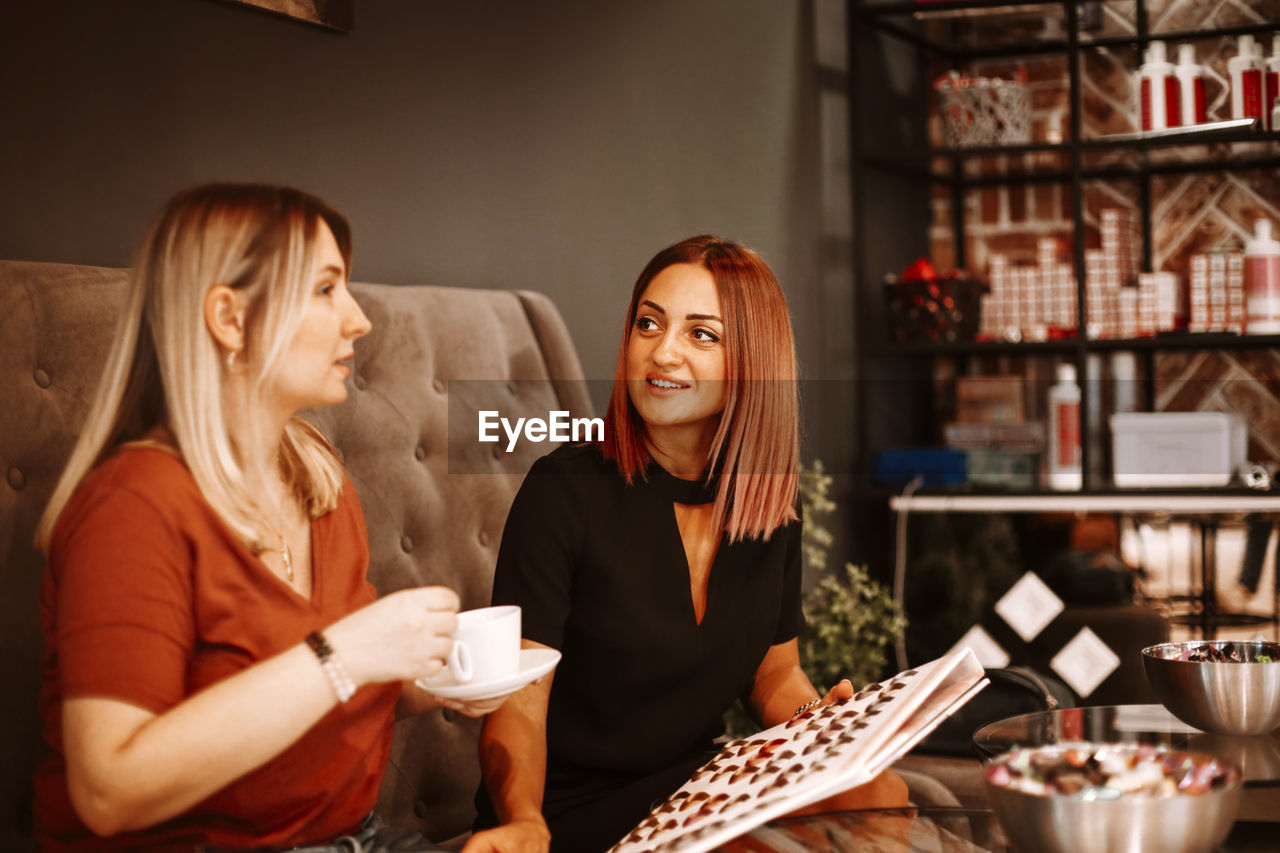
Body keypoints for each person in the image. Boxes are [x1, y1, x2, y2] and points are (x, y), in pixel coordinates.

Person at [32, 184, 509, 851]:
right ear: (230, 318)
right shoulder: (134, 505)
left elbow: (315, 691)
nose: (358, 319)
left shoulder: (317, 480)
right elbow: (108, 790)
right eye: (324, 289)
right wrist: (349, 651)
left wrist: (437, 673)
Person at [466, 235, 906, 853]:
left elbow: (774, 671)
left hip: (690, 787)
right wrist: (523, 821)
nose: (662, 352)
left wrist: (820, 727)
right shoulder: (563, 490)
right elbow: (517, 704)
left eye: (702, 335)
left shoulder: (769, 500)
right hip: (568, 809)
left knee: (879, 791)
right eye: (649, 323)